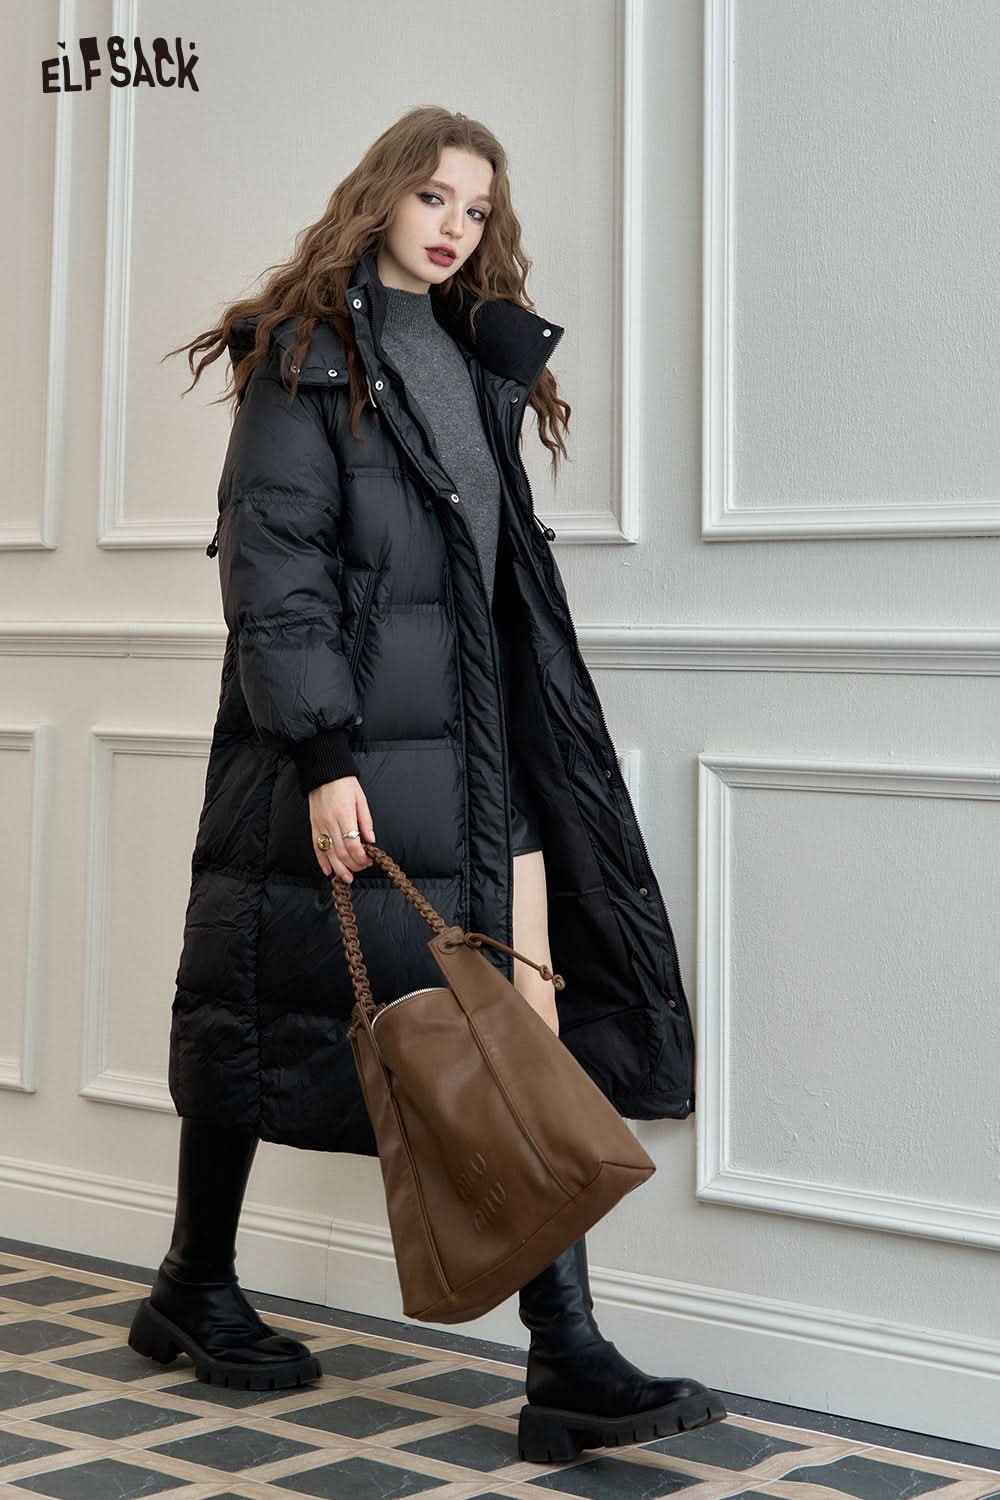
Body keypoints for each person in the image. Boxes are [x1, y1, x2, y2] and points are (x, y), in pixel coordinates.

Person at [128, 106, 723, 1460]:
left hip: (491, 748)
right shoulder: (304, 357)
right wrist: (325, 757)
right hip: (349, 748)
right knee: (265, 1006)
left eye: (477, 207)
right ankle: (194, 1282)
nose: (455, 226)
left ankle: (565, 1353)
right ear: (383, 196)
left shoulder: (475, 354)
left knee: (525, 1033)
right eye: (434, 197)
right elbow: (274, 568)